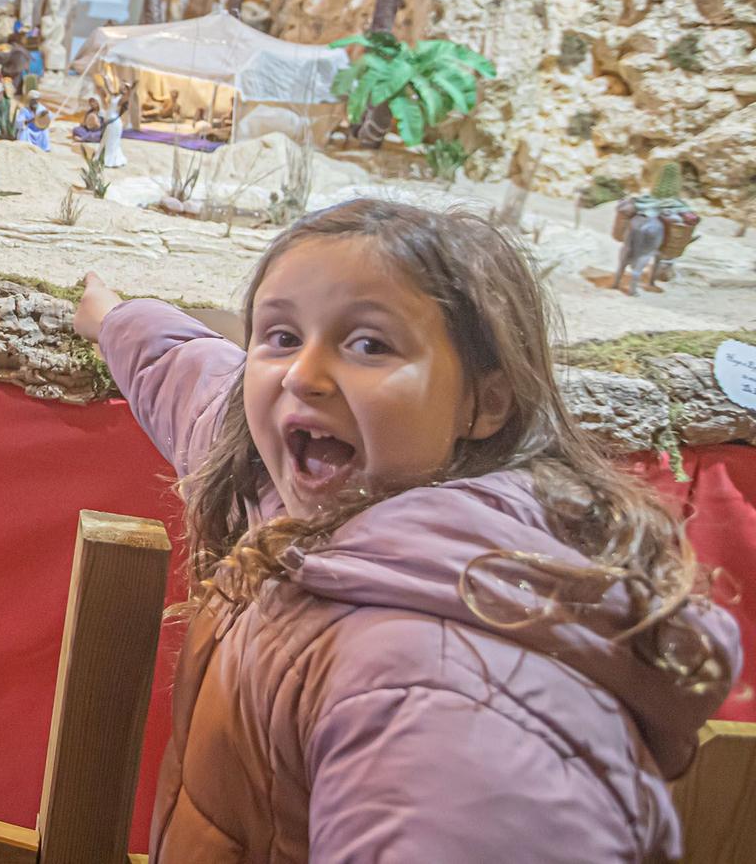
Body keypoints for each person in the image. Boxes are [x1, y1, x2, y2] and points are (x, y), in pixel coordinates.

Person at [71, 200, 741, 862]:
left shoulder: (441, 689)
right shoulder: (310, 494)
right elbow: (197, 381)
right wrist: (117, 319)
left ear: (486, 402)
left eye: (369, 344)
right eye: (280, 335)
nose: (302, 373)